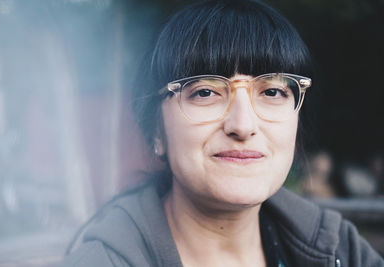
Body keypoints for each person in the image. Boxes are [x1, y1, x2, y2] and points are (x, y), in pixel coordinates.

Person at [60, 0, 384, 266]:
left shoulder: (339, 249)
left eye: (272, 93)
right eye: (204, 93)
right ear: (156, 131)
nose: (243, 126)